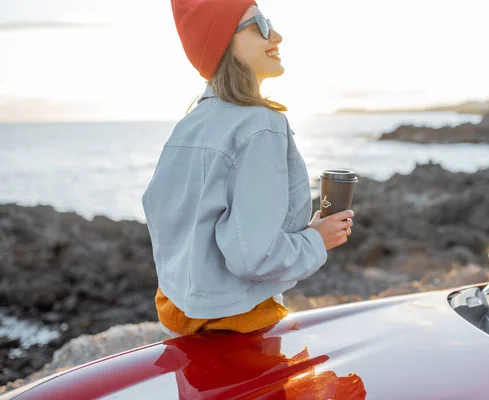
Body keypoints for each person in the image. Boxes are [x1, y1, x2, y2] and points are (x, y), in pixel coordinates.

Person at [141, 0, 355, 338]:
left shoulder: (188, 126)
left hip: (183, 315)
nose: (277, 36)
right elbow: (254, 256)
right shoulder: (261, 124)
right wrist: (317, 240)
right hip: (239, 323)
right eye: (260, 26)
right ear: (225, 42)